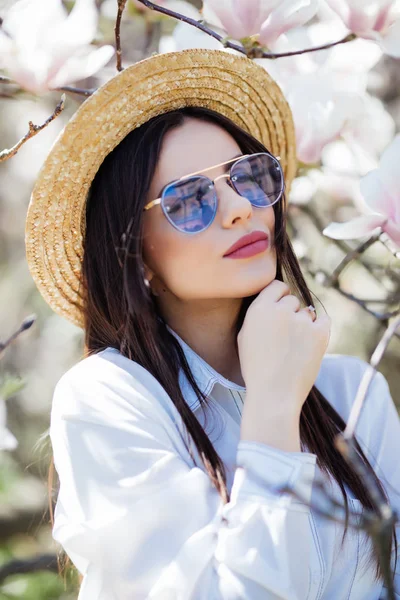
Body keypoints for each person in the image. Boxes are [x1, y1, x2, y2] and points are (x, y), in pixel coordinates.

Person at [25, 48, 400, 599]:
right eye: (190, 199)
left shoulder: (352, 393)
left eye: (247, 176)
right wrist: (273, 409)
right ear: (136, 256)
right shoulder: (107, 400)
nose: (240, 208)